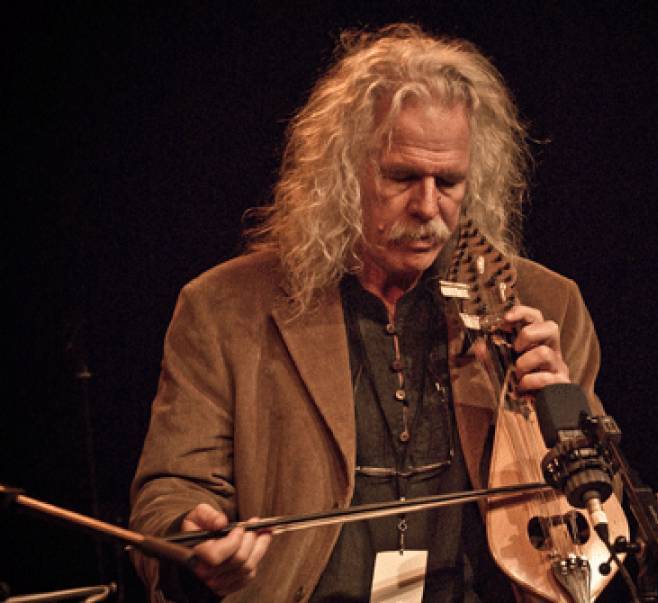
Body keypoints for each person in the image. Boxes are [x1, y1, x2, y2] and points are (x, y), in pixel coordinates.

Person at [130, 23, 604, 602]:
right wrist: (192, 540)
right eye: (402, 176)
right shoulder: (223, 309)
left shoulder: (545, 306)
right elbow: (170, 494)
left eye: (449, 181)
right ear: (341, 172)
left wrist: (559, 412)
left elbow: (599, 525)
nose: (427, 205)